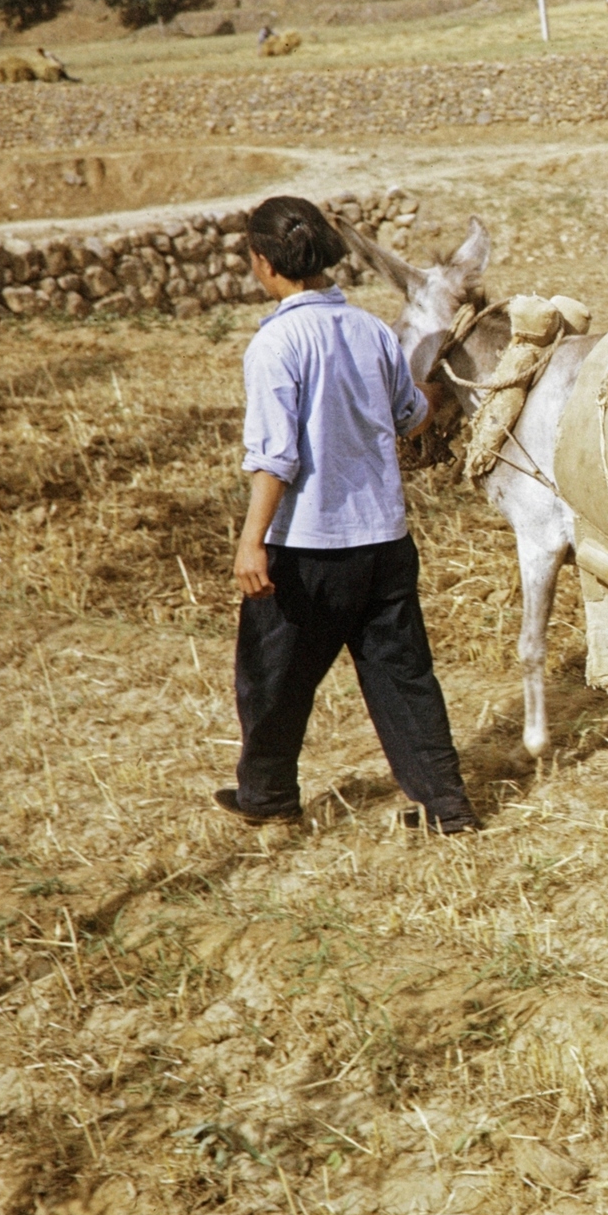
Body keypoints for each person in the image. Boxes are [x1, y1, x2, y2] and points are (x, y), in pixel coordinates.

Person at [226, 196, 480, 835]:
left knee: (272, 680)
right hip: (383, 541)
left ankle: (268, 798)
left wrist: (252, 541)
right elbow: (411, 416)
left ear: (264, 261)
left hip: (305, 549)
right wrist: (437, 394)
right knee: (405, 680)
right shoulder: (370, 331)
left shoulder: (274, 344)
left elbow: (274, 457)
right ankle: (448, 808)